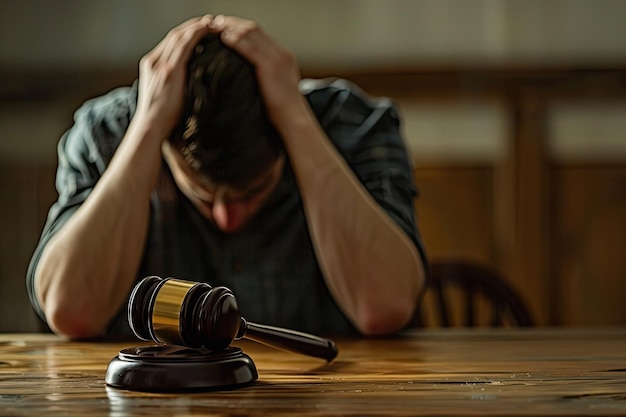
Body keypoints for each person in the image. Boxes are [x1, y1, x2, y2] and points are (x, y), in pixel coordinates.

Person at [26, 14, 428, 340]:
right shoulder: (108, 133)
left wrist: (294, 117)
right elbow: (70, 310)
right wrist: (147, 128)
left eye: (252, 192)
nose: (226, 218)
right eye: (201, 195)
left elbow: (385, 306)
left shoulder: (353, 125)